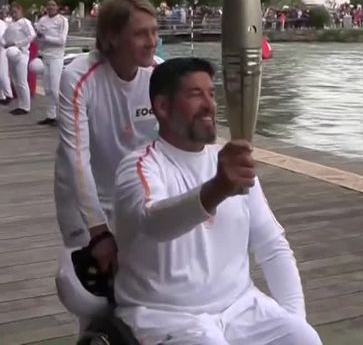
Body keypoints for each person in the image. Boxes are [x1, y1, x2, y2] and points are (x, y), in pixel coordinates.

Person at [113, 58, 322, 345]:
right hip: (163, 315)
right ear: (162, 107)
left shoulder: (228, 162)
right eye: (195, 94)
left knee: (305, 339)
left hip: (240, 307)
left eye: (211, 93)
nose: (210, 104)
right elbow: (154, 223)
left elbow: (272, 246)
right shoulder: (139, 166)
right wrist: (218, 189)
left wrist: (295, 320)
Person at [54, 0, 161, 279]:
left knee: (139, 287)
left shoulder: (160, 74)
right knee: (92, 299)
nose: (152, 42)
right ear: (112, 37)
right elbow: (76, 158)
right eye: (140, 34)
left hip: (137, 197)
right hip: (85, 199)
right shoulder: (78, 77)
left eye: (155, 31)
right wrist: (99, 232)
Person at [35, 0, 69, 125]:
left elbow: (62, 41)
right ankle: (51, 115)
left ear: (57, 7)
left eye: (53, 5)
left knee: (55, 89)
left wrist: (45, 37)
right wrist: (39, 40)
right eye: (48, 5)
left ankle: (64, 116)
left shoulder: (62, 21)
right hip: (45, 57)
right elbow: (38, 38)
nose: (50, 7)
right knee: (48, 89)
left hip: (56, 57)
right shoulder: (42, 20)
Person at [2, 2, 35, 115]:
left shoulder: (25, 22)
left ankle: (26, 106)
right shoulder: (11, 24)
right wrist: (5, 43)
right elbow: (4, 37)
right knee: (15, 80)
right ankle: (21, 104)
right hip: (11, 53)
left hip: (21, 53)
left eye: (15, 11)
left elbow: (32, 35)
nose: (14, 14)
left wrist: (18, 44)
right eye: (12, 12)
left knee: (22, 80)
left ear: (20, 11)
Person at [0, 8, 13, 105]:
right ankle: (2, 95)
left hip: (2, 50)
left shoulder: (1, 24)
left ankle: (9, 95)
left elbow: (2, 39)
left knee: (3, 74)